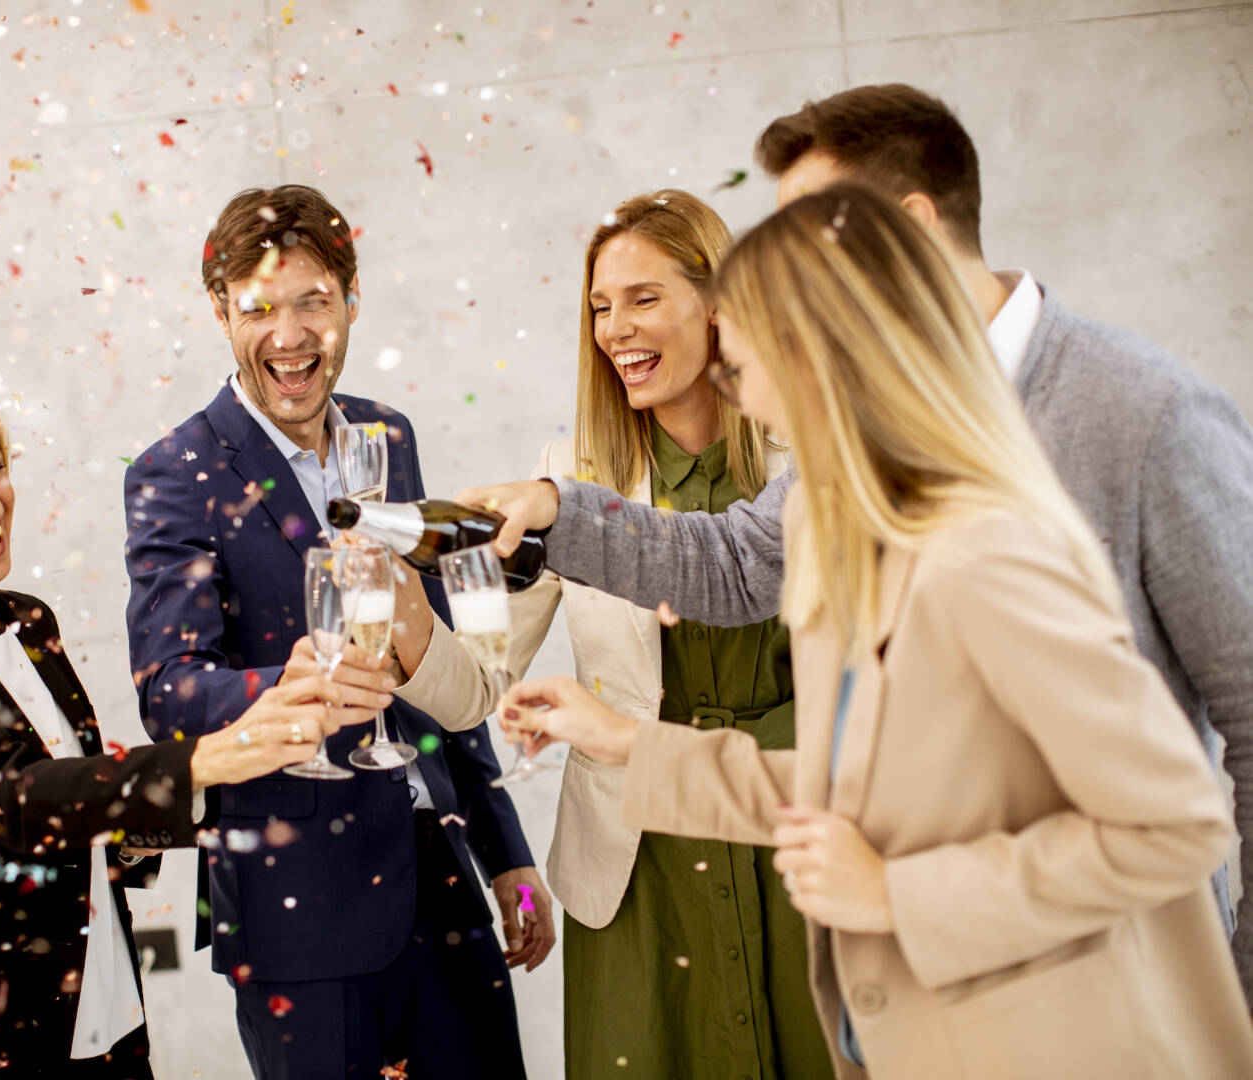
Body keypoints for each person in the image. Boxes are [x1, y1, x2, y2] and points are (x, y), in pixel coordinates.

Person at [460, 83, 1253, 1001]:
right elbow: (740, 564)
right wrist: (561, 512)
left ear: (909, 229)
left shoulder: (1146, 415)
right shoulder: (862, 431)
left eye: (812, 239)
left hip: (1114, 995)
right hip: (919, 1000)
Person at [0, 374, 380, 1079]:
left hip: (101, 1010)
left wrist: (257, 762)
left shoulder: (28, 621)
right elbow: (17, 799)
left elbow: (82, 807)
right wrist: (209, 759)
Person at [388, 189, 829, 1078]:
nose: (614, 328)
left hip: (794, 827)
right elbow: (474, 683)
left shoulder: (810, 461)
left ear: (719, 303)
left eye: (642, 298)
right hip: (640, 863)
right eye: (598, 306)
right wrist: (400, 620)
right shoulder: (569, 474)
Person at [122, 185, 551, 1080]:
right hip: (298, 912)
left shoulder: (386, 436)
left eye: (314, 301)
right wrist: (290, 689)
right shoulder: (178, 470)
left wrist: (504, 852)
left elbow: (437, 654)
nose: (290, 334)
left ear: (352, 299)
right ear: (219, 312)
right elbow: (171, 691)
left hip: (441, 877)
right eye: (260, 308)